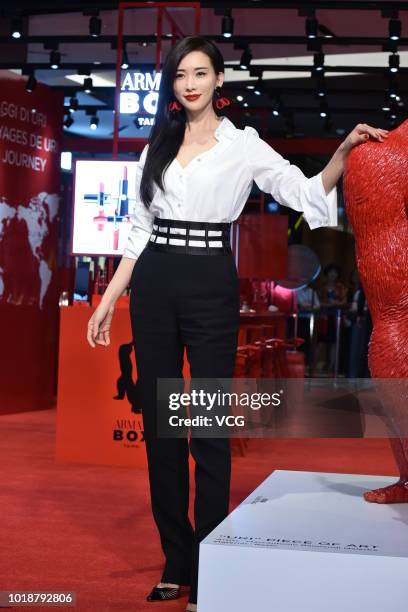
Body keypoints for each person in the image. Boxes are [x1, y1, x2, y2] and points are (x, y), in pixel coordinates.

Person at [86, 35, 387, 611]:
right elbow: (136, 233)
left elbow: (300, 191)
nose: (190, 83)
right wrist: (107, 302)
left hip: (210, 283)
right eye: (180, 75)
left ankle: (208, 561)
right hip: (154, 282)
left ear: (219, 80)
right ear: (173, 85)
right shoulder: (159, 145)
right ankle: (175, 558)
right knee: (161, 427)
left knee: (209, 429)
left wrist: (343, 150)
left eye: (201, 73)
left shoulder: (243, 146)